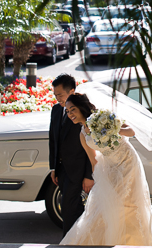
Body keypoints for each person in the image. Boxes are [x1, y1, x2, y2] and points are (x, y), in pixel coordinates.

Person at [60, 92, 152, 246]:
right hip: (109, 167)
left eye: (72, 109)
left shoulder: (102, 117)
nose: (70, 114)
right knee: (104, 207)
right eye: (67, 111)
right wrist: (98, 181)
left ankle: (135, 242)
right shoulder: (83, 134)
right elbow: (93, 160)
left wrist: (109, 130)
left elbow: (131, 132)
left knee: (128, 204)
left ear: (81, 107)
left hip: (127, 162)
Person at [48, 74, 94, 236]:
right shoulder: (55, 110)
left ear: (72, 91)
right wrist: (53, 168)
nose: (57, 98)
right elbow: (53, 140)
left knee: (70, 209)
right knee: (69, 209)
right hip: (62, 171)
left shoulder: (84, 112)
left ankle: (70, 242)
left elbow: (92, 145)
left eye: (60, 95)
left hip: (79, 170)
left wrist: (89, 175)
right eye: (55, 95)